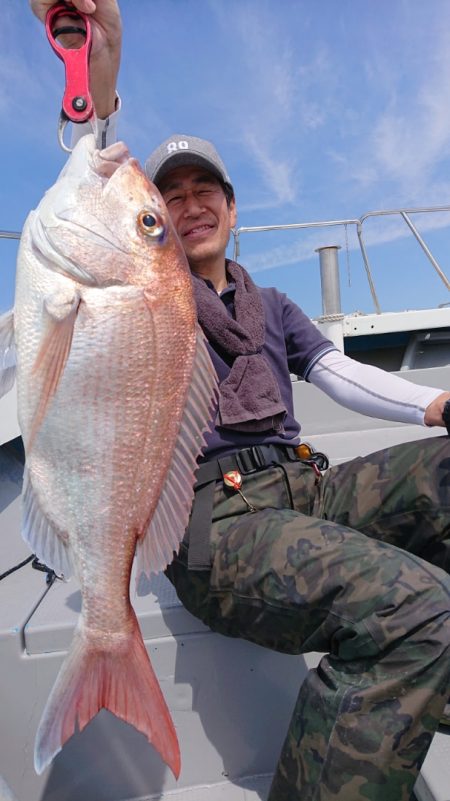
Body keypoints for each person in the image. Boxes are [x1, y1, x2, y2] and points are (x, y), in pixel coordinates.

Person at [31, 3, 450, 800]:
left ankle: (424, 672)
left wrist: (437, 406)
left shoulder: (276, 306)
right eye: (170, 197)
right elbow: (98, 174)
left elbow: (340, 374)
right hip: (218, 525)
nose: (188, 205)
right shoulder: (152, 293)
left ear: (231, 206)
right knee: (422, 608)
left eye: (205, 189)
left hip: (307, 490)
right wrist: (98, 70)